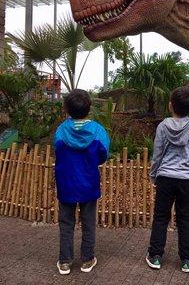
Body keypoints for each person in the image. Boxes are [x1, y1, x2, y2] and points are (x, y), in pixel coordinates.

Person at [146, 86, 189, 273]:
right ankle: (187, 259)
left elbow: (157, 154)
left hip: (165, 178)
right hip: (187, 180)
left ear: (171, 105)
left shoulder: (163, 126)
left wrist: (153, 175)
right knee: (185, 219)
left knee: (161, 217)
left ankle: (155, 256)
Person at [54, 89, 110, 275]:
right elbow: (103, 155)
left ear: (67, 108)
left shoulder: (61, 130)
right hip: (88, 183)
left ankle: (64, 262)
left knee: (66, 222)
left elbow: (58, 151)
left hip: (66, 183)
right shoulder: (98, 131)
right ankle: (87, 260)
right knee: (88, 222)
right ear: (89, 107)